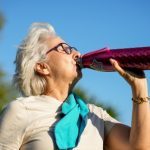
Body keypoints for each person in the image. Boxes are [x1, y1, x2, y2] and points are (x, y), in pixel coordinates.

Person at [0, 23, 149, 150]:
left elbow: (139, 147)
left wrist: (139, 87)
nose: (77, 53)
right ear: (42, 67)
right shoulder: (21, 111)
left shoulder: (94, 115)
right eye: (65, 48)